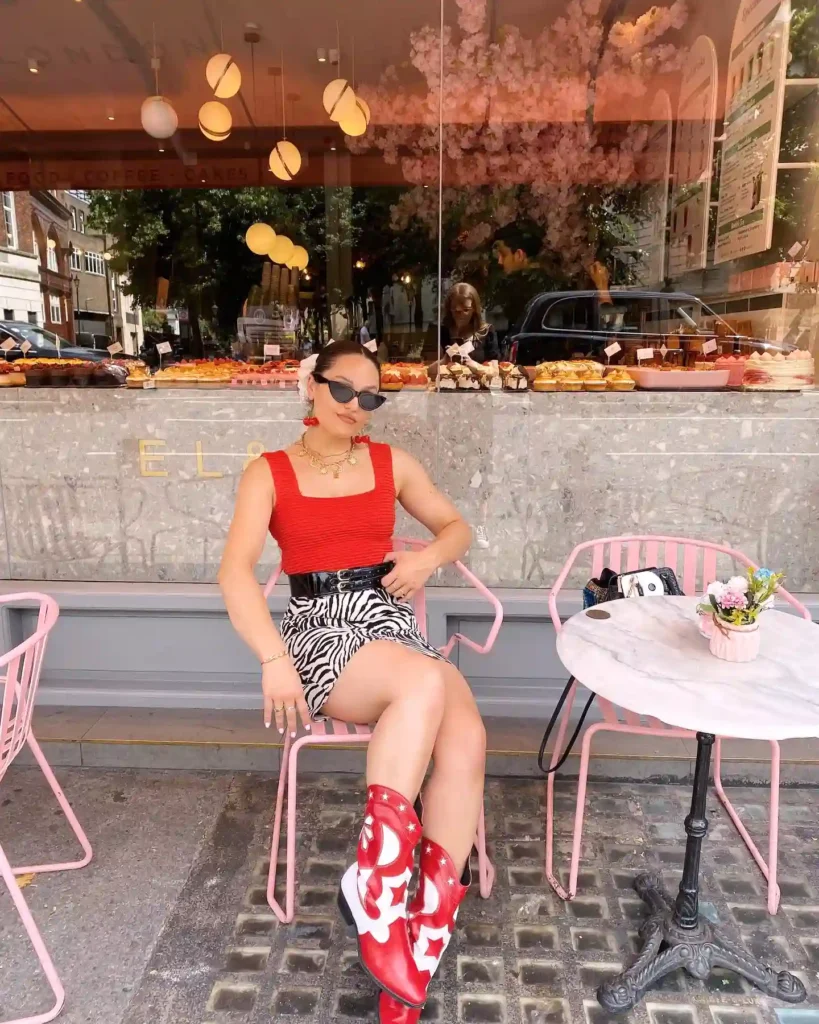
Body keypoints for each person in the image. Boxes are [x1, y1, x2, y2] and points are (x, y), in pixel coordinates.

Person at [218, 339, 486, 1023]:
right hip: (318, 628)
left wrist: (426, 562)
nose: (357, 408)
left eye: (371, 398)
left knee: (468, 736)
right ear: (312, 385)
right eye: (344, 391)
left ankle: (415, 949)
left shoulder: (392, 463)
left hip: (387, 620)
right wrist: (273, 658)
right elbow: (234, 572)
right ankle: (376, 886)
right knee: (426, 684)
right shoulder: (268, 472)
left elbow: (456, 528)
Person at [434, 282, 500, 370]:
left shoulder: (487, 332)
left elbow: (495, 370)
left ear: (474, 309)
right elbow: (427, 370)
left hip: (479, 383)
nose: (461, 315)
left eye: (466, 310)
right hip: (448, 383)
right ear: (450, 310)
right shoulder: (443, 332)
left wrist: (474, 365)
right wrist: (444, 361)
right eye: (456, 311)